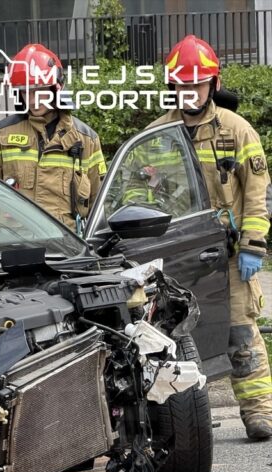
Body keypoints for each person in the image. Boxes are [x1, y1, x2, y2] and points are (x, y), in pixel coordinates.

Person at [148, 35, 272, 440]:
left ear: (213, 85)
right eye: (182, 86)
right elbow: (136, 193)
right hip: (177, 256)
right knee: (167, 338)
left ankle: (258, 414)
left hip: (229, 256)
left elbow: (257, 195)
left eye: (197, 85)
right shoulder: (156, 136)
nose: (190, 93)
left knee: (239, 332)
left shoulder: (237, 131)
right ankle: (170, 422)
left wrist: (254, 245)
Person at [0, 43, 107, 235]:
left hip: (67, 248)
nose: (31, 100)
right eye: (25, 91)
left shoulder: (86, 139)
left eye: (38, 91)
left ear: (56, 88)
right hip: (16, 247)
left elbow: (99, 203)